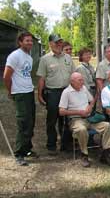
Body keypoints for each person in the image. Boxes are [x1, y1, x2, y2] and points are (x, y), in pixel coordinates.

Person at [59, 72, 110, 168]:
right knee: (81, 129)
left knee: (106, 125)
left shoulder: (84, 88)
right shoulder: (66, 92)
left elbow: (92, 101)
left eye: (82, 79)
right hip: (76, 120)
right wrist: (79, 112)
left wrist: (90, 106)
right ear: (72, 82)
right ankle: (84, 154)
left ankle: (107, 154)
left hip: (89, 119)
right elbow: (61, 111)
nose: (82, 82)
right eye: (80, 80)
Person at [37, 34, 75, 155]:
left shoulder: (68, 58)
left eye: (60, 42)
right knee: (52, 120)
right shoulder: (45, 59)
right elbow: (42, 78)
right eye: (56, 42)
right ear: (50, 44)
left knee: (66, 119)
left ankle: (65, 144)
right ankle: (51, 145)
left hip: (67, 91)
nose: (59, 44)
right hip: (52, 92)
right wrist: (39, 95)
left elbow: (74, 75)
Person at [3, 32, 37, 166]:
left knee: (30, 122)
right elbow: (6, 76)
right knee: (22, 123)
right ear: (20, 42)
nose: (30, 43)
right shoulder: (14, 56)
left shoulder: (28, 56)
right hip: (20, 94)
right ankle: (19, 154)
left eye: (31, 41)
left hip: (29, 92)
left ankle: (27, 149)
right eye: (27, 41)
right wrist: (11, 91)